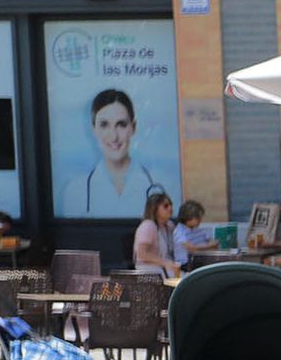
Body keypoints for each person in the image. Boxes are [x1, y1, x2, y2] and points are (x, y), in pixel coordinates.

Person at [58, 89, 164, 218]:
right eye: (104, 125)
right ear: (94, 129)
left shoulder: (159, 187)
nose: (113, 136)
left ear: (133, 127)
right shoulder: (75, 191)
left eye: (121, 125)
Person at [134, 192, 181, 280]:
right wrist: (165, 262)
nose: (170, 208)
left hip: (166, 270)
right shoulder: (148, 226)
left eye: (171, 205)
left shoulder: (169, 226)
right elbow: (141, 254)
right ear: (154, 209)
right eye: (166, 206)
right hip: (149, 273)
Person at [172, 200, 218, 269]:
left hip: (200, 260)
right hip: (186, 264)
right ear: (188, 217)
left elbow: (210, 239)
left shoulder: (197, 229)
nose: (200, 220)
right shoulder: (179, 232)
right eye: (198, 218)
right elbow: (191, 248)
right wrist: (210, 246)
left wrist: (212, 243)